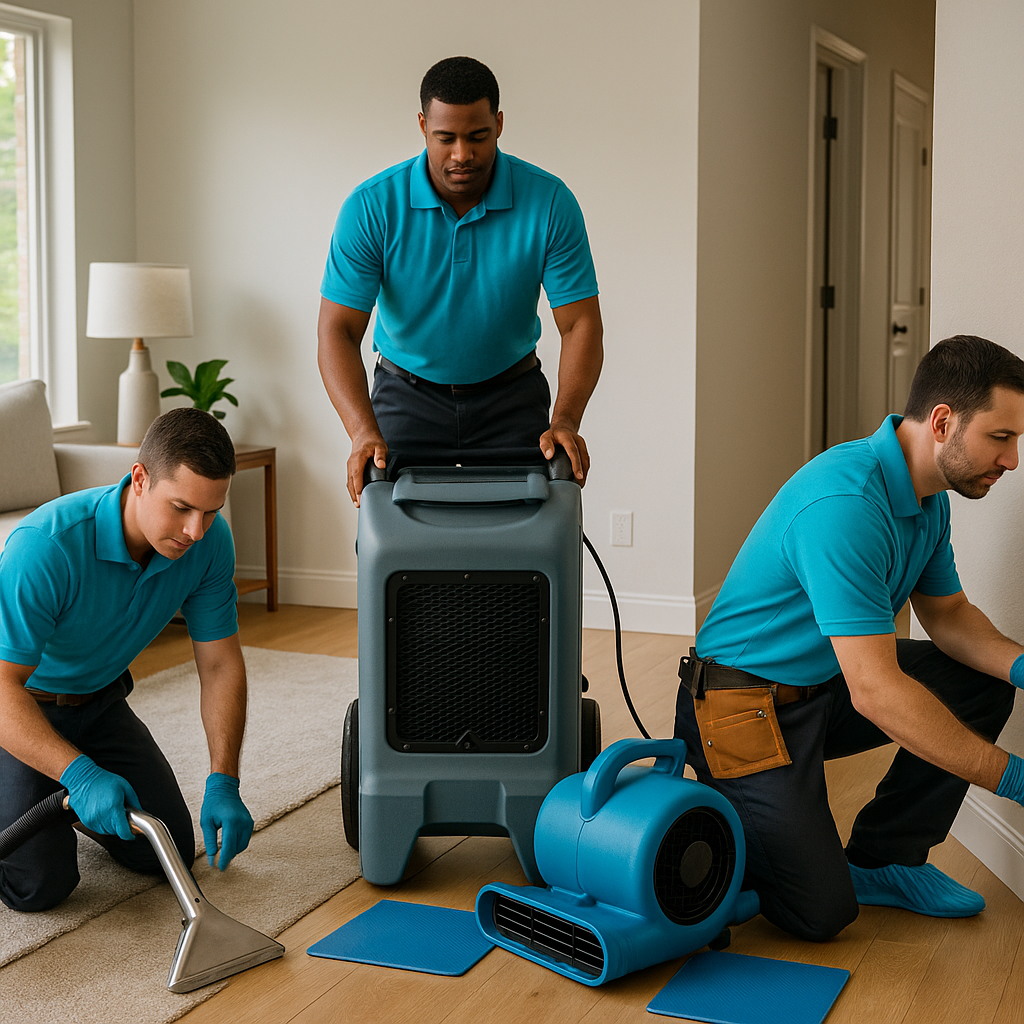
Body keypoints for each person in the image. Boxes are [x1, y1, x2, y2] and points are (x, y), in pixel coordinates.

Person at [674, 335, 1024, 942]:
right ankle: (727, 811)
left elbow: (948, 615)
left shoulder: (926, 497)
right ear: (943, 422)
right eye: (1002, 437)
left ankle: (885, 857)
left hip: (822, 689)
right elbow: (877, 692)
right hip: (738, 712)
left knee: (981, 682)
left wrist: (1021, 667)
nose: (1013, 459)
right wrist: (1014, 779)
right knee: (821, 912)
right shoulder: (847, 502)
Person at [317, 55, 603, 505]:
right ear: (422, 125)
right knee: (399, 552)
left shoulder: (550, 202)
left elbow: (580, 323)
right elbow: (338, 329)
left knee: (523, 549)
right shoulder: (371, 207)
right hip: (405, 399)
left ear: (500, 123)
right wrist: (361, 431)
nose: (462, 154)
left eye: (478, 136)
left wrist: (565, 420)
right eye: (445, 138)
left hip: (511, 399)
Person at [0, 407, 254, 913]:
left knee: (167, 853)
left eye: (210, 511)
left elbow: (221, 665)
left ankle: (66, 796)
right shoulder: (46, 548)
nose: (195, 531)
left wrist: (224, 777)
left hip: (99, 701)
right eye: (181, 507)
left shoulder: (208, 544)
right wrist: (81, 774)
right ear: (140, 479)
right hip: (22, 707)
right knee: (39, 889)